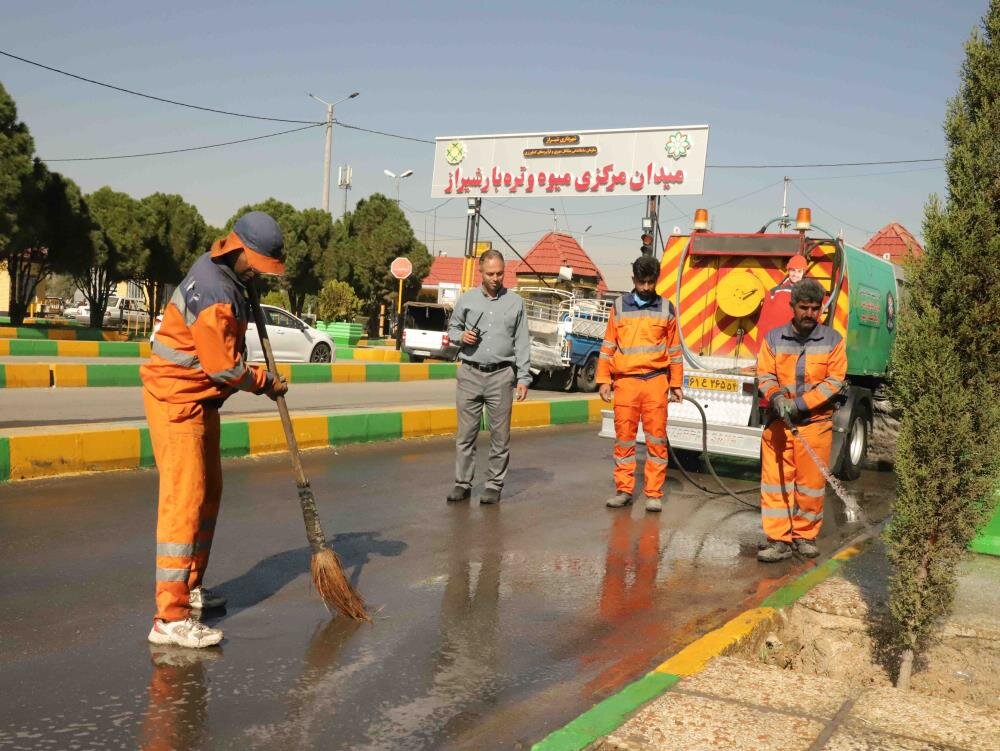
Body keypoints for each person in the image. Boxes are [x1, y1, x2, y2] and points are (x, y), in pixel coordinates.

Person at [140, 212, 289, 648]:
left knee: (208, 494)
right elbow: (224, 368)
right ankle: (169, 617)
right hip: (177, 400)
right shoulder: (214, 290)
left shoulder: (228, 274)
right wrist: (264, 382)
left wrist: (250, 286)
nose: (260, 273)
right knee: (183, 503)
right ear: (238, 250)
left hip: (200, 399)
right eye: (257, 265)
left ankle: (189, 589)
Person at [755, 278, 847, 562]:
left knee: (810, 485)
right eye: (803, 307)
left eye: (815, 308)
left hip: (815, 425)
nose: (809, 314)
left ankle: (804, 536)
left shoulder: (833, 341)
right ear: (792, 306)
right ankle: (778, 540)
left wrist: (798, 404)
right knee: (776, 484)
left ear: (822, 309)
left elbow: (833, 381)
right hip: (779, 426)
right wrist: (776, 396)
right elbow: (765, 375)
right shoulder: (773, 339)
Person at [597, 255, 683, 512]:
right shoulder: (619, 306)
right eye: (641, 282)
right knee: (624, 439)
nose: (646, 287)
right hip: (626, 383)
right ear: (633, 279)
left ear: (656, 280)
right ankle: (624, 490)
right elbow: (608, 346)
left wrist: (676, 383)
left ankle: (653, 493)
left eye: (650, 282)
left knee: (656, 440)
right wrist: (604, 379)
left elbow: (675, 349)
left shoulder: (667, 308)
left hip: (656, 382)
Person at [445, 250, 530, 505]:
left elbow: (522, 341)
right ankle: (462, 483)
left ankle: (494, 484)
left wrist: (523, 378)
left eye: (500, 273)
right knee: (466, 434)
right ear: (480, 273)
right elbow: (452, 328)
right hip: (470, 373)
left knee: (500, 436)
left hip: (502, 375)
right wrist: (462, 337)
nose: (496, 278)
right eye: (491, 273)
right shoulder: (467, 300)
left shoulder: (515, 303)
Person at [755, 254, 808, 340]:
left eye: (799, 271)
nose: (795, 274)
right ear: (788, 271)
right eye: (793, 270)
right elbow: (763, 321)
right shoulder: (774, 292)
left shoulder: (809, 293)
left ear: (803, 273)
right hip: (776, 340)